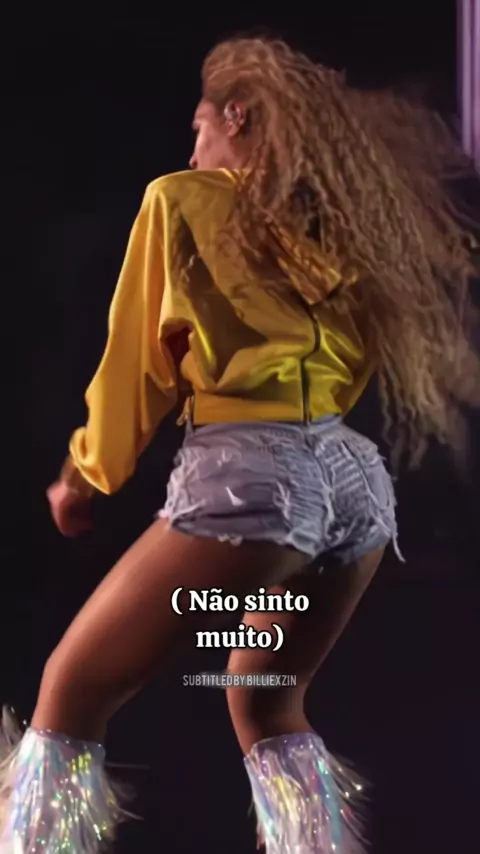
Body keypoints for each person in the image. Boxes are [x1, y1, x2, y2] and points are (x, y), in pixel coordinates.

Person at [1, 35, 479, 854]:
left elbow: (137, 366)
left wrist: (85, 475)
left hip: (251, 480)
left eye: (200, 129)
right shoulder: (342, 230)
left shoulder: (180, 199)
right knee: (266, 702)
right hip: (355, 488)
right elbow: (350, 371)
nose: (193, 152)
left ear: (239, 117)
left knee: (68, 694)